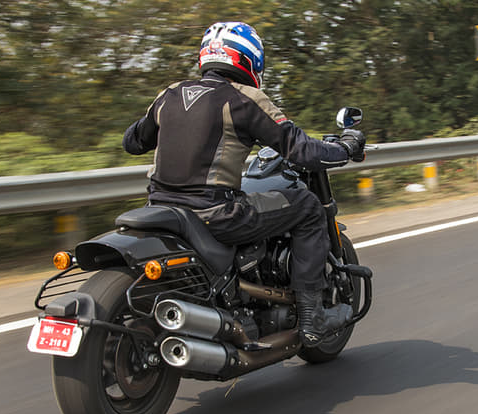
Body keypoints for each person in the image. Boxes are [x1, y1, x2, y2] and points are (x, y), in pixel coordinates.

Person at [122, 21, 366, 347]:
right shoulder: (244, 99)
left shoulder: (170, 94)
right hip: (215, 215)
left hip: (162, 210)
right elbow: (303, 151)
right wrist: (346, 147)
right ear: (250, 59)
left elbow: (132, 142)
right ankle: (313, 319)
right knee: (308, 207)